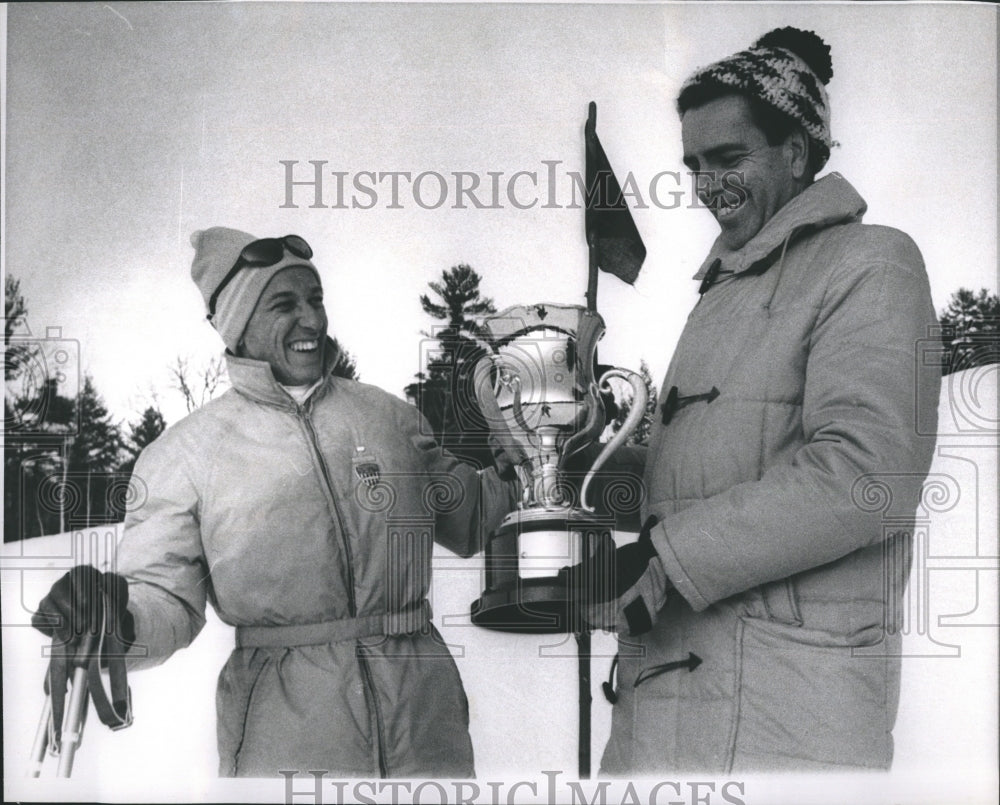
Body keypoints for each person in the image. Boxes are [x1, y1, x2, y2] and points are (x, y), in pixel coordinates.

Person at [567, 27, 941, 772]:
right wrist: (581, 460)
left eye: (728, 157)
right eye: (694, 164)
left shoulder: (871, 264)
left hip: (785, 717)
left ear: (796, 152)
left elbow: (868, 476)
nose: (707, 184)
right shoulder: (721, 294)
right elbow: (705, 476)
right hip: (661, 710)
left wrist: (666, 559)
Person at [32, 227, 518, 778]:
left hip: (426, 725)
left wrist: (526, 460)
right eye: (284, 304)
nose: (311, 320)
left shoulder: (388, 419)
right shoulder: (186, 454)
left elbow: (471, 516)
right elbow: (165, 598)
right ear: (239, 325)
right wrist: (118, 617)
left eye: (315, 300)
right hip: (286, 735)